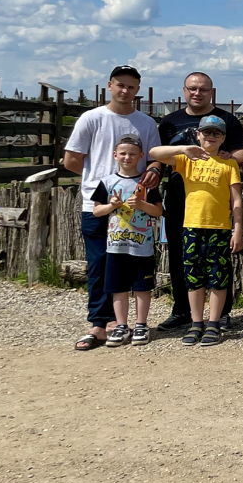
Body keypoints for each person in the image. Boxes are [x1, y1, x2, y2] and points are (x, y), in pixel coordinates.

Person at [63, 65, 161, 351]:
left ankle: (131, 322)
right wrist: (103, 179)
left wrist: (151, 171)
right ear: (110, 85)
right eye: (120, 85)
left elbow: (154, 158)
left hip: (135, 207)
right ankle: (100, 323)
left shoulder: (146, 123)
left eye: (131, 87)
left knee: (136, 264)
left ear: (137, 90)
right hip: (100, 204)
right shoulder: (92, 118)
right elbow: (72, 160)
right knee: (99, 265)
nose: (125, 91)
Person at [155, 72, 243, 334]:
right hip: (178, 196)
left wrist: (231, 157)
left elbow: (241, 150)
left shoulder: (227, 119)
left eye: (203, 89)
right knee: (179, 256)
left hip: (216, 200)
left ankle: (222, 313)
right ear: (184, 90)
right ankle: (182, 311)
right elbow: (156, 152)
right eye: (193, 89)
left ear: (212, 92)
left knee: (219, 263)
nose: (198, 93)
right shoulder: (170, 121)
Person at [91, 134, 163, 347]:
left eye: (132, 154)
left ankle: (141, 324)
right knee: (118, 287)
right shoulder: (107, 182)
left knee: (142, 286)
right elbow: (96, 211)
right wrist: (112, 206)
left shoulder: (147, 183)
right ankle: (121, 325)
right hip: (116, 245)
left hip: (143, 246)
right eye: (123, 153)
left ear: (141, 156)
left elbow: (158, 211)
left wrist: (141, 205)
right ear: (115, 155)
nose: (127, 157)